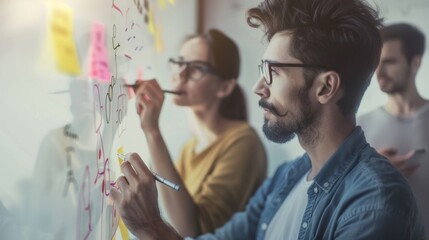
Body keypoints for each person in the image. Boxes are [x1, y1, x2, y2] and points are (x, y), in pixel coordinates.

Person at [110, 0, 426, 239]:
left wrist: (152, 227)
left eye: (272, 72)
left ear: (325, 87)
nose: (259, 87)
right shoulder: (287, 178)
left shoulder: (375, 203)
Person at [131, 29, 267, 237]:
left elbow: (191, 231)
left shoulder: (244, 142)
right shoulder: (190, 149)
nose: (180, 74)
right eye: (179, 62)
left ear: (224, 87)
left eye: (196, 68)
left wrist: (152, 132)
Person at [358, 23, 429, 238]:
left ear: (414, 63)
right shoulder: (359, 126)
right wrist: (376, 173)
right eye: (377, 63)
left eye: (389, 62)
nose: (379, 71)